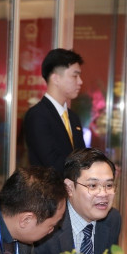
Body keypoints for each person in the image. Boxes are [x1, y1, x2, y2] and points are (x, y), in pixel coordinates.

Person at [35, 147, 121, 254]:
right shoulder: (46, 223)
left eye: (109, 185)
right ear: (69, 188)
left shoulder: (113, 219)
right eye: (93, 186)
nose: (103, 194)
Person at [23, 48, 86, 176]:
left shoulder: (73, 117)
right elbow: (52, 163)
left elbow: (83, 157)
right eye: (75, 76)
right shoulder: (38, 116)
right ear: (56, 78)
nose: (80, 81)